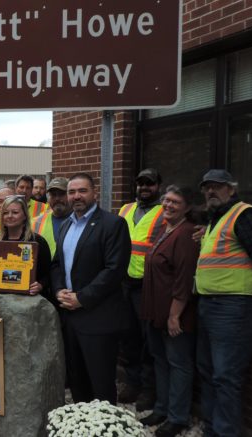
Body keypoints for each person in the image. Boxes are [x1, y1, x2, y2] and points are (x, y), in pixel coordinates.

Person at [195, 169, 252, 437]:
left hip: (234, 309)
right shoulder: (215, 220)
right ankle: (211, 429)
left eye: (217, 187)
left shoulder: (244, 214)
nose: (211, 192)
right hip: (210, 306)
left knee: (226, 377)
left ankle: (226, 432)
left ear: (231, 189)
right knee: (208, 373)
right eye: (207, 187)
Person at [49, 173, 131, 404]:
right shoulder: (66, 225)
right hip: (70, 318)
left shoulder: (113, 224)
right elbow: (57, 264)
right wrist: (58, 291)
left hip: (99, 319)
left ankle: (103, 426)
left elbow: (114, 270)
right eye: (72, 192)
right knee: (77, 383)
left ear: (95, 193)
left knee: (102, 384)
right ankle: (81, 424)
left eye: (82, 191)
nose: (76, 196)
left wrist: (82, 298)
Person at [140, 186, 200, 437]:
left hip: (176, 316)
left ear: (187, 207)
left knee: (178, 364)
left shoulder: (186, 235)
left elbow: (184, 279)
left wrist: (175, 315)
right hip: (156, 313)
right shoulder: (164, 229)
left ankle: (177, 417)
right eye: (166, 200)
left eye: (175, 202)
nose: (168, 205)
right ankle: (162, 408)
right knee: (161, 361)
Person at [118, 168, 164, 409]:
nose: (144, 187)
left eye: (150, 183)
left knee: (149, 341)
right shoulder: (125, 209)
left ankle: (149, 390)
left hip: (148, 286)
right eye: (141, 183)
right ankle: (132, 383)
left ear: (158, 186)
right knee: (128, 337)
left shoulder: (165, 212)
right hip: (124, 284)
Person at [0, 195, 51, 295]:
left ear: (24, 216)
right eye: (5, 213)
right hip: (0, 299)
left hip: (29, 300)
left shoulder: (38, 242)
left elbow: (48, 274)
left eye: (15, 212)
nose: (9, 216)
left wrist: (40, 285)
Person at [31, 177, 71, 258]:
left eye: (61, 194)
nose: (57, 198)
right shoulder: (35, 223)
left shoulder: (82, 221)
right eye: (53, 195)